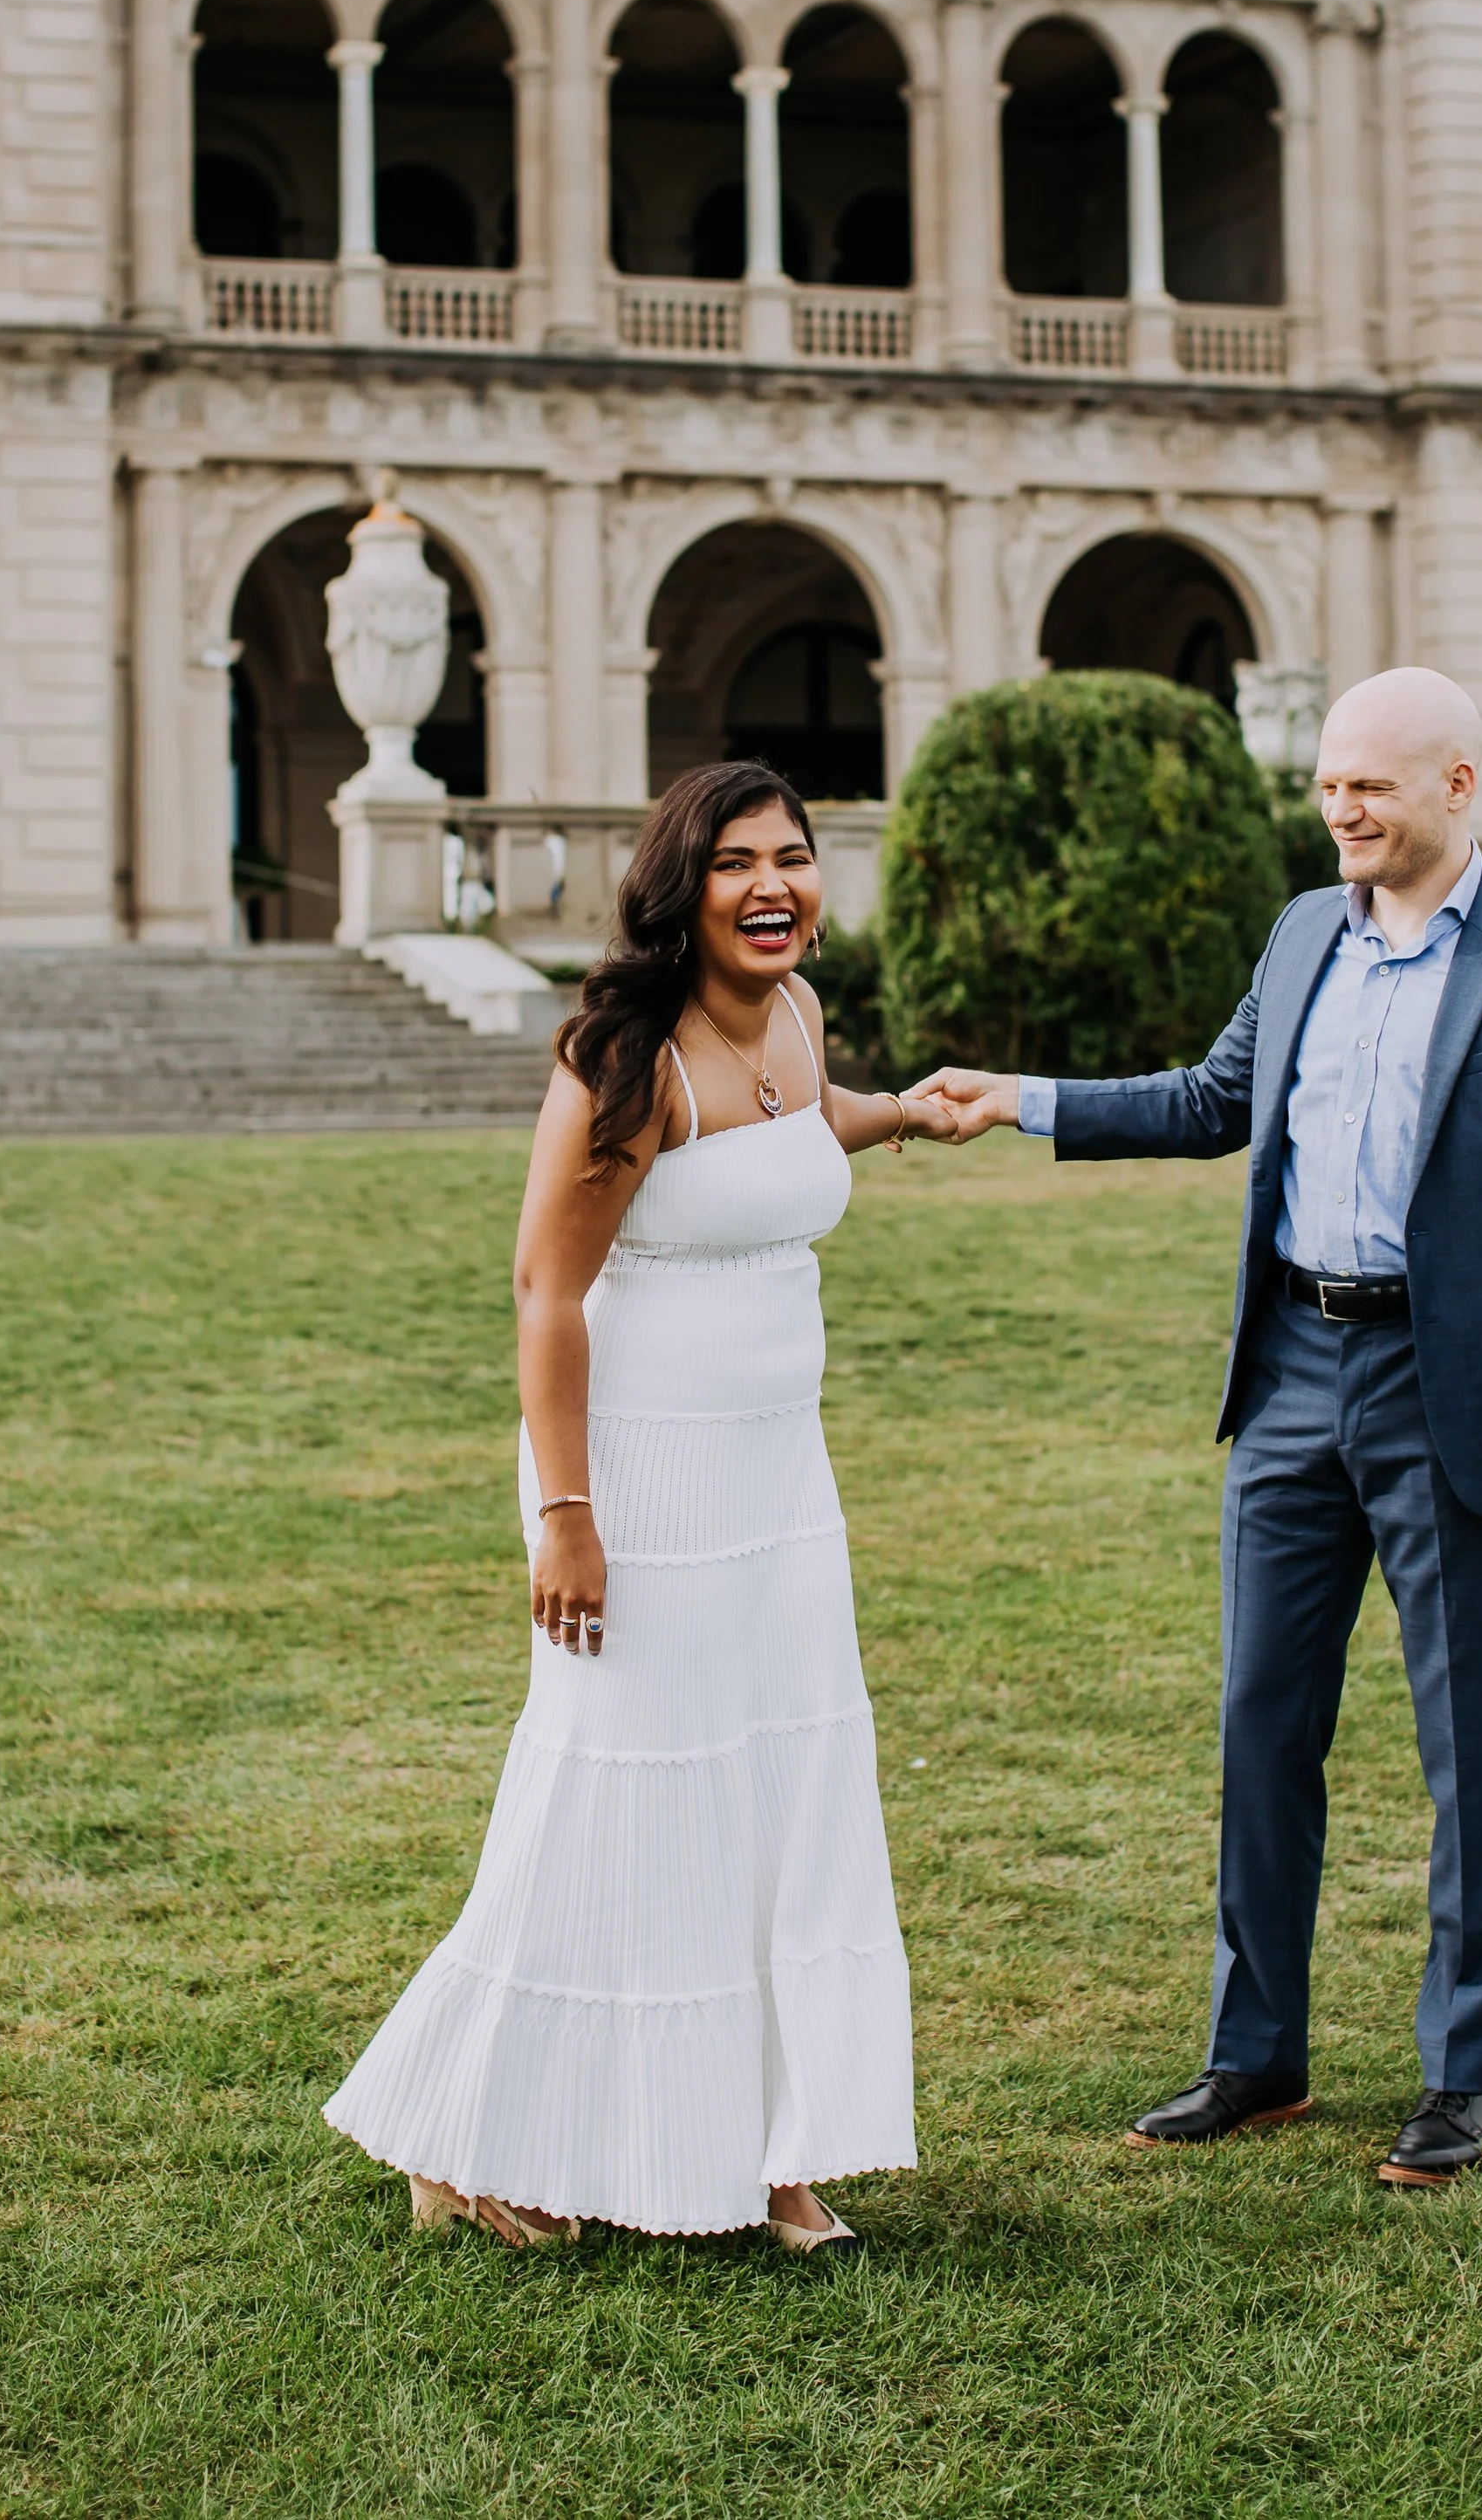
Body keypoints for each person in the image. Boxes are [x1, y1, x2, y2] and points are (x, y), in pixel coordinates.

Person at [911, 668, 1482, 2188]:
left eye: (1370, 785)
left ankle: (1464, 2076)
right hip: (1292, 1384)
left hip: (1461, 1403)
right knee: (1263, 1725)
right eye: (1328, 782)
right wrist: (1025, 1098)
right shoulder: (1305, 931)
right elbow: (1211, 1100)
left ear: (1456, 786)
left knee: (1471, 1749)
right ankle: (1255, 2056)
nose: (1340, 808)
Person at [325, 759, 952, 2251]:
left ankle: (776, 2158)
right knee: (621, 1800)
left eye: (791, 857)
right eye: (737, 862)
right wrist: (566, 1514)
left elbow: (787, 1140)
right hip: (638, 1488)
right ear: (686, 884)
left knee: (785, 1800)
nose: (772, 886)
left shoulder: (797, 1023)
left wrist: (903, 1114)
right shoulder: (623, 1058)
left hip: (779, 1484)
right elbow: (548, 1288)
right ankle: (470, 2131)